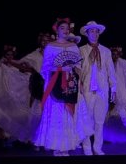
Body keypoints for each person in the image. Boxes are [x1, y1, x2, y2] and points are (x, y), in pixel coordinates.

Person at [33, 18, 92, 156]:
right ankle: (57, 147)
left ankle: (66, 146)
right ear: (57, 30)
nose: (65, 31)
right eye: (62, 28)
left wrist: (78, 78)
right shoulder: (50, 46)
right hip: (55, 85)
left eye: (67, 28)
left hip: (71, 84)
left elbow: (78, 66)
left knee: (69, 115)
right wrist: (60, 68)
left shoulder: (73, 47)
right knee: (57, 115)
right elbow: (45, 68)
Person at [78, 21, 117, 155]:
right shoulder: (81, 50)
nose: (94, 34)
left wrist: (114, 88)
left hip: (102, 88)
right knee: (86, 118)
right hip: (87, 89)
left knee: (99, 120)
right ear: (87, 34)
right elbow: (77, 69)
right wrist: (79, 84)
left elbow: (110, 70)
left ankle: (97, 147)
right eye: (91, 31)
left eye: (96, 31)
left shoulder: (105, 51)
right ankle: (87, 146)